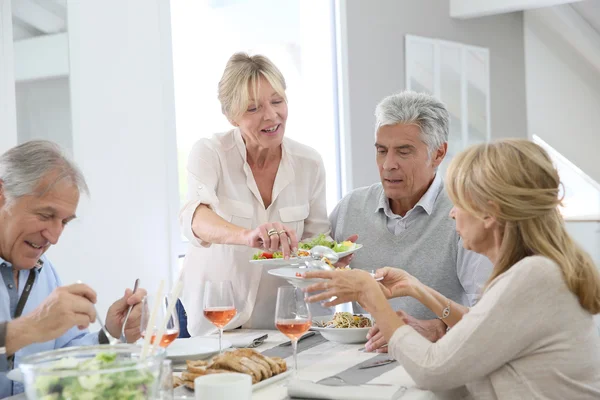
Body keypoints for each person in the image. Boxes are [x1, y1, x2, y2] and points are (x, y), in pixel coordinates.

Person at [304, 139, 600, 399]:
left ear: (489, 213)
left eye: (459, 202)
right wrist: (417, 289)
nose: (452, 212)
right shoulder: (536, 271)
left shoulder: (533, 277)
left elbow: (432, 370)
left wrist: (373, 298)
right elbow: (475, 337)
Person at [179, 52, 329, 336]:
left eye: (277, 101)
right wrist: (246, 236)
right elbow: (195, 217)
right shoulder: (211, 153)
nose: (271, 115)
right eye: (253, 108)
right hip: (211, 318)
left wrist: (329, 258)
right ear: (231, 116)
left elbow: (316, 238)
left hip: (275, 321)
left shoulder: (310, 163)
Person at [329, 91, 492, 347]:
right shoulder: (350, 208)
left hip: (440, 359)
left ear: (438, 154)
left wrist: (438, 329)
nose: (388, 165)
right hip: (362, 357)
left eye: (404, 152)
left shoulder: (464, 212)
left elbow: (488, 317)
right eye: (382, 151)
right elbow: (314, 286)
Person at [0, 140, 147, 397]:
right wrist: (30, 328)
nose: (55, 237)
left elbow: (64, 357)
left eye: (65, 221)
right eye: (45, 215)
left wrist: (111, 332)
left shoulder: (45, 272)